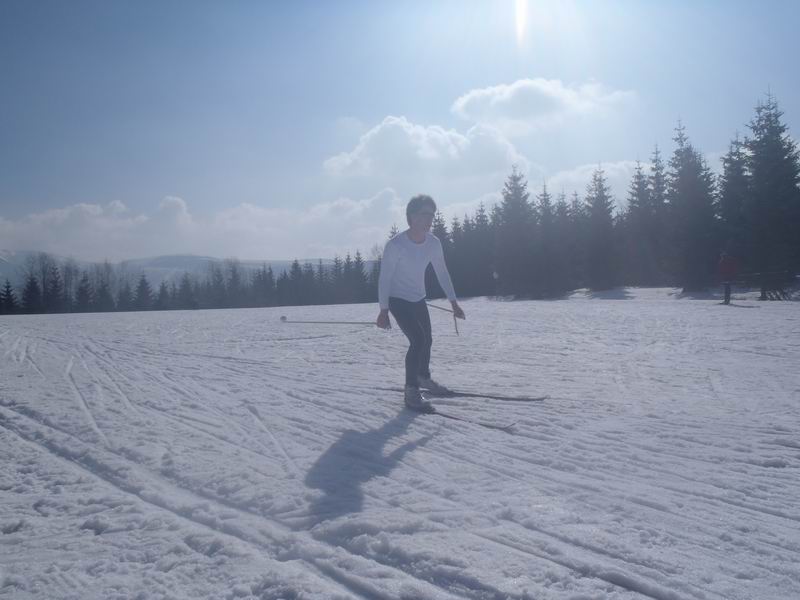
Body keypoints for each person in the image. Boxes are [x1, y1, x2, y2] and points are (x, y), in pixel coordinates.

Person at [377, 195, 465, 412]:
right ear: (412, 217)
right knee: (418, 340)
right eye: (425, 214)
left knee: (427, 340)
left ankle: (423, 377)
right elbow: (384, 278)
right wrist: (383, 311)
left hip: (418, 298)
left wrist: (454, 303)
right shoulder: (396, 245)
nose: (430, 219)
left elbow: (442, 273)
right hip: (397, 299)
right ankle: (411, 390)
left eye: (432, 215)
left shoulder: (433, 244)